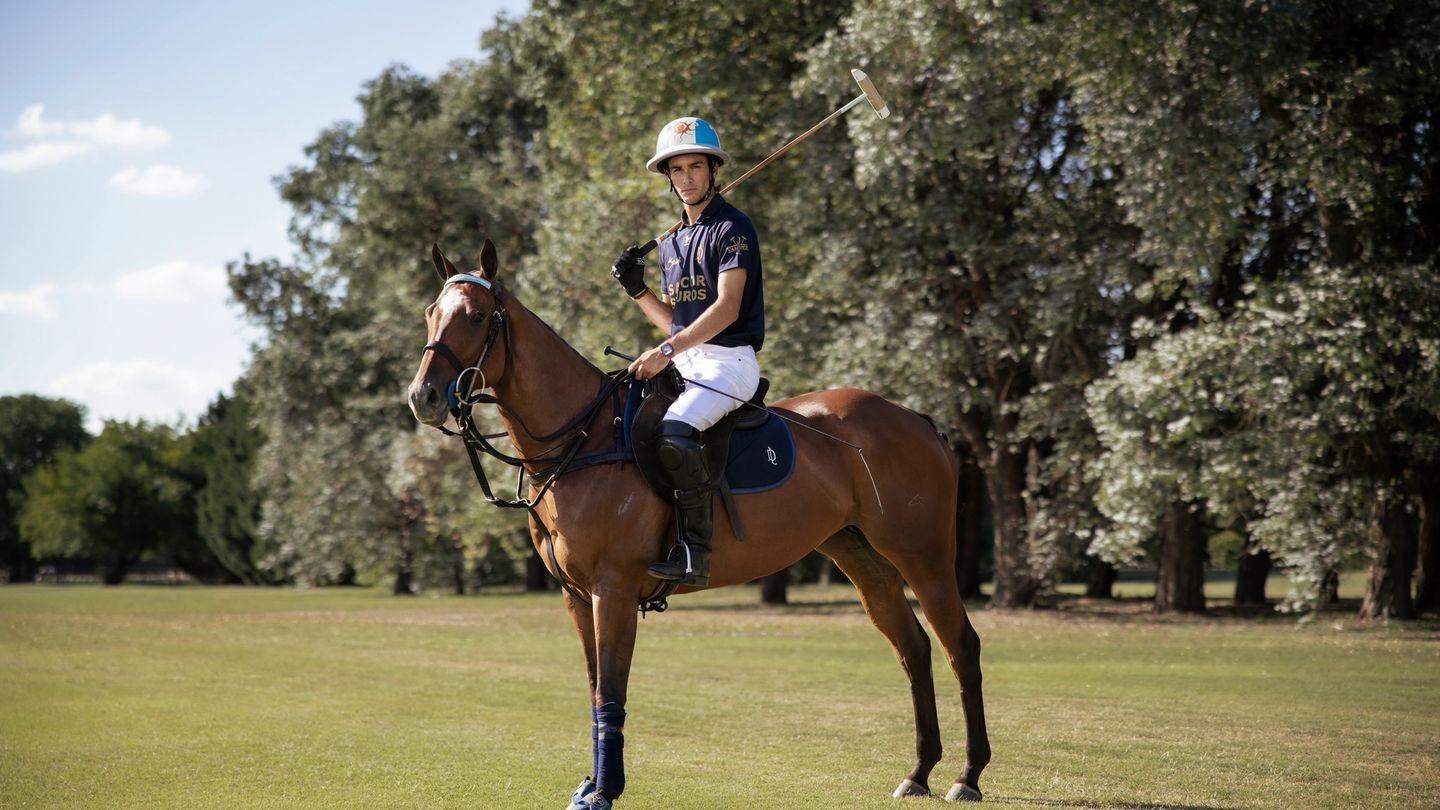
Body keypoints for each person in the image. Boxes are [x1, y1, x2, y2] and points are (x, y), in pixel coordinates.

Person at [611, 116, 765, 587]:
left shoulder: (733, 228)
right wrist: (637, 291)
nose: (686, 178)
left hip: (728, 362)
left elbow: (726, 309)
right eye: (676, 170)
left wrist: (665, 351)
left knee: (675, 431)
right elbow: (677, 321)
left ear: (713, 170)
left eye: (695, 167)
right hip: (687, 360)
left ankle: (696, 551)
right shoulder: (671, 243)